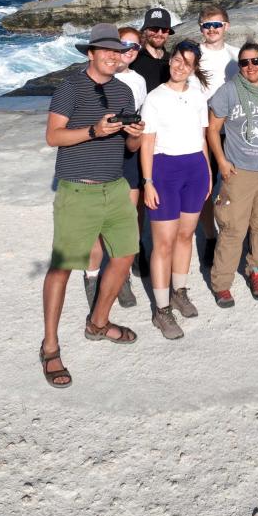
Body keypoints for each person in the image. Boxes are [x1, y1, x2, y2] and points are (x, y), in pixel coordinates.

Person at [40, 24, 144, 388]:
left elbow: (129, 150)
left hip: (115, 188)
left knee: (125, 255)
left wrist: (134, 137)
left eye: (119, 52)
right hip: (77, 191)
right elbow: (53, 136)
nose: (115, 57)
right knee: (63, 267)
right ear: (91, 53)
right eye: (107, 51)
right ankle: (50, 347)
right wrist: (93, 132)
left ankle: (98, 323)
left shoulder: (124, 91)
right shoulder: (70, 87)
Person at [206, 43, 258, 307]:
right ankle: (221, 283)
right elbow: (212, 130)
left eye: (255, 61)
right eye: (244, 62)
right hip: (240, 171)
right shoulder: (228, 91)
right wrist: (221, 161)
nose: (250, 67)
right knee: (233, 228)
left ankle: (257, 273)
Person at [140, 41, 212, 340]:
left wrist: (207, 172)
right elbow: (147, 142)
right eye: (177, 59)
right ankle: (161, 309)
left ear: (194, 68)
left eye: (188, 62)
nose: (180, 66)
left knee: (185, 235)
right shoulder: (155, 99)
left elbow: (203, 137)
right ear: (170, 60)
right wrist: (147, 182)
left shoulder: (198, 96)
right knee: (164, 243)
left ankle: (179, 291)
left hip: (195, 168)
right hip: (164, 171)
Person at [82, 26, 146, 313]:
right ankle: (92, 278)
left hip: (127, 158)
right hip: (98, 157)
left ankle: (120, 277)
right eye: (124, 44)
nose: (129, 50)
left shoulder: (139, 80)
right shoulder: (95, 77)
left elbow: (139, 123)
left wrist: (136, 133)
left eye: (135, 46)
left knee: (127, 221)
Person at [194, 5, 239, 265]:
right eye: (207, 25)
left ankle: (231, 233)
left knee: (233, 185)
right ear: (201, 28)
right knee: (206, 187)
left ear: (226, 26)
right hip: (201, 130)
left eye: (217, 24)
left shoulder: (235, 57)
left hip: (231, 131)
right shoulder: (194, 56)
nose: (212, 30)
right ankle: (211, 237)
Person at [133, 6, 174, 92]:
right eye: (154, 29)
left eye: (164, 30)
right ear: (145, 30)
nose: (159, 33)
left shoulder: (173, 61)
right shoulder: (134, 60)